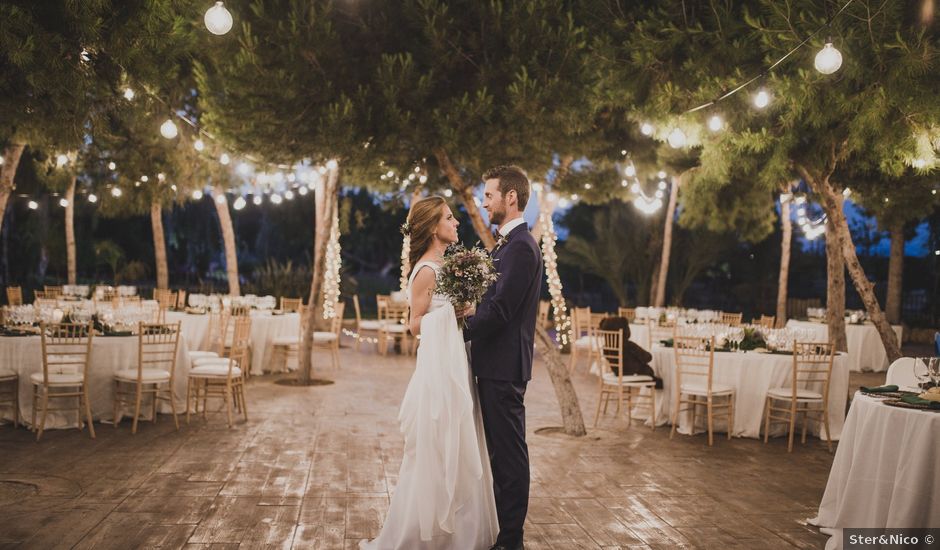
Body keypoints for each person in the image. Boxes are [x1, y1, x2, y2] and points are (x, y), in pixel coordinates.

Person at [362, 196, 498, 550]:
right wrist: (450, 314)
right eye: (449, 218)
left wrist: (466, 309)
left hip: (457, 363)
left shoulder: (447, 265)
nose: (456, 223)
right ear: (433, 227)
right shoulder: (426, 271)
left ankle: (462, 531)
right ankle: (427, 533)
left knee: (460, 442)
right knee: (438, 447)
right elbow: (414, 325)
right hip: (438, 373)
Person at [463, 165, 543, 550]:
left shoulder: (523, 247)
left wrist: (462, 327)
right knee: (500, 453)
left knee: (510, 457)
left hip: (503, 368)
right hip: (494, 365)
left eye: (489, 195)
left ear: (511, 197)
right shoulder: (508, 245)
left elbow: (500, 310)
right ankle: (502, 531)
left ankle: (511, 540)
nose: (484, 202)